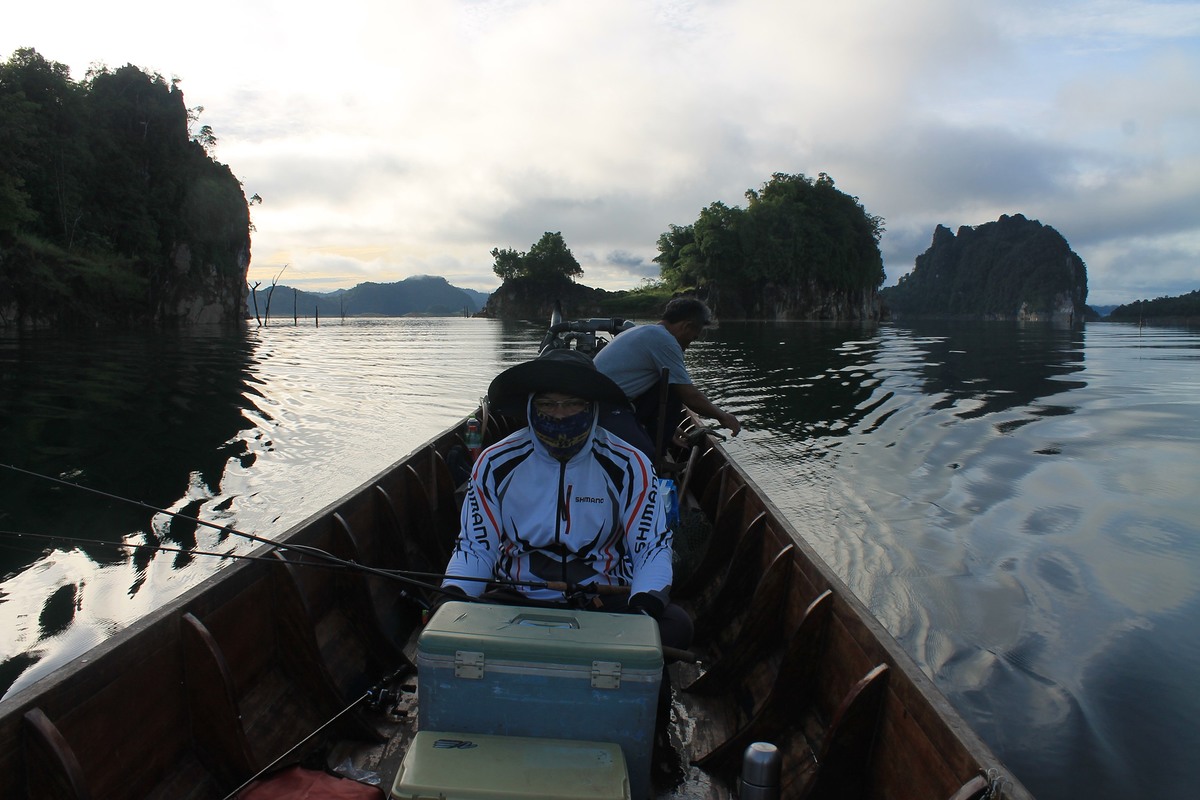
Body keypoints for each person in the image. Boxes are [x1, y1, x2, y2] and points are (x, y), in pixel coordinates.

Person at [439, 348, 693, 651]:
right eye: (548, 403)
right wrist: (452, 597)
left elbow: (651, 548)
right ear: (531, 405)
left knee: (676, 626)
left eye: (573, 404)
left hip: (603, 599)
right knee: (444, 614)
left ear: (593, 407)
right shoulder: (494, 462)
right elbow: (475, 547)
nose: (559, 413)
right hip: (515, 598)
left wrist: (642, 610)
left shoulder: (630, 464)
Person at [593, 297, 741, 460]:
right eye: (693, 337)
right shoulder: (664, 341)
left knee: (669, 384)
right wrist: (723, 416)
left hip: (615, 402)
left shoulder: (645, 331)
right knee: (642, 456)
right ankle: (656, 463)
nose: (689, 345)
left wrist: (666, 427)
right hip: (603, 410)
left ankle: (658, 442)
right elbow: (690, 396)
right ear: (686, 326)